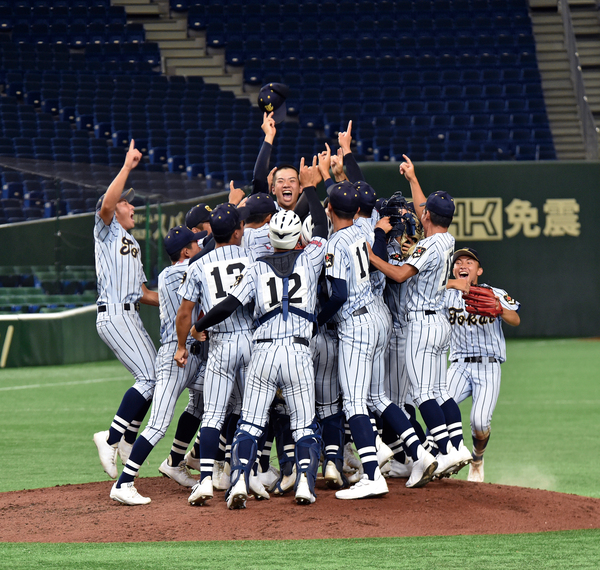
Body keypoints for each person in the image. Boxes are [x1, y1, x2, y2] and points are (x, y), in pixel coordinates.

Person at [190, 157, 328, 508]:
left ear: (269, 236)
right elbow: (323, 230)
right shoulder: (311, 259)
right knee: (303, 424)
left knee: (249, 423)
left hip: (263, 353)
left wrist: (199, 324)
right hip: (298, 352)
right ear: (298, 235)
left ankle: (237, 483)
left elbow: (226, 306)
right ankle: (305, 487)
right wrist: (311, 187)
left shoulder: (254, 267)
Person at [367, 156, 472, 479]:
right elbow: (426, 209)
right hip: (439, 323)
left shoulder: (427, 247)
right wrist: (413, 179)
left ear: (427, 216)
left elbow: (399, 275)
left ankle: (444, 450)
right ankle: (457, 444)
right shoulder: (446, 239)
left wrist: (372, 255)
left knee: (423, 394)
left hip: (421, 324)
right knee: (440, 391)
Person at [175, 202, 269, 506]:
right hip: (251, 340)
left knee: (213, 415)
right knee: (250, 413)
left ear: (211, 233)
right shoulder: (252, 257)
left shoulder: (198, 264)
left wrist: (184, 341)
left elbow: (184, 313)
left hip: (220, 343)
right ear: (239, 231)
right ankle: (245, 475)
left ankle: (204, 482)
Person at [110, 225, 205, 505]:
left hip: (193, 356)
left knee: (218, 400)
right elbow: (209, 255)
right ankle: (124, 483)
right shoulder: (176, 273)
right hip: (175, 357)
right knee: (157, 426)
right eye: (195, 244)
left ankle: (179, 463)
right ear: (186, 251)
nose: (199, 247)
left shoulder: (176, 271)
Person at [92, 140, 159, 479]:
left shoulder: (131, 242)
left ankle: (126, 439)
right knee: (148, 377)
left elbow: (145, 293)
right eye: (126, 202)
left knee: (157, 376)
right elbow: (106, 202)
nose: (132, 206)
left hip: (129, 311)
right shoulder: (105, 229)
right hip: (114, 313)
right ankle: (110, 437)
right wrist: (127, 167)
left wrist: (184, 298)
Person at [444, 247, 521, 482]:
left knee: (479, 422)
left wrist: (499, 309)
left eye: (469, 262)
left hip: (488, 366)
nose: (463, 265)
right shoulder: (445, 294)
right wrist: (448, 284)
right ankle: (442, 456)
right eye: (458, 262)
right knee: (438, 407)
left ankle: (477, 458)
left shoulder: (494, 292)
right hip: (458, 364)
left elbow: (516, 319)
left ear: (479, 270)